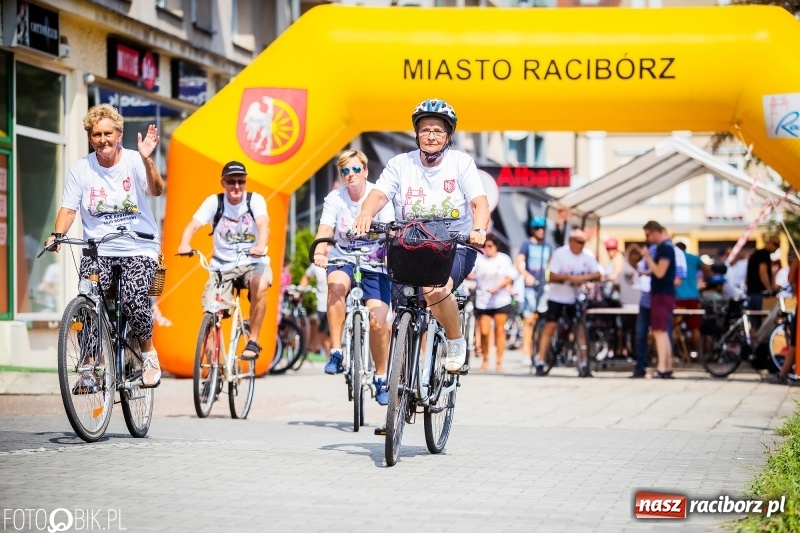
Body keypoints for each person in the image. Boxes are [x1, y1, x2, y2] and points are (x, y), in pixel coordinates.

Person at [351, 98, 489, 373]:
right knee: (402, 307)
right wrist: (365, 213)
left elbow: (479, 203)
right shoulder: (401, 164)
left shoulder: (461, 163)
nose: (431, 136)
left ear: (448, 135)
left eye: (437, 131)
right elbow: (378, 194)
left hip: (453, 245)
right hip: (410, 243)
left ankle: (455, 340)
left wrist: (478, 229)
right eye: (425, 130)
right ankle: (401, 378)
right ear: (416, 134)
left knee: (434, 288)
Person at [46, 103, 164, 387]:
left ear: (119, 134)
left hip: (138, 246)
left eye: (108, 133)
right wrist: (57, 234)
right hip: (98, 248)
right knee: (88, 299)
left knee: (134, 299)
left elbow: (157, 190)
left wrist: (147, 160)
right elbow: (68, 209)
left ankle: (148, 353)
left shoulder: (134, 160)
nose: (102, 140)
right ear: (90, 138)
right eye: (96, 134)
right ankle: (89, 364)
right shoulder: (81, 169)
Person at [312, 149, 394, 406]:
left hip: (375, 260)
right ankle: (337, 351)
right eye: (345, 170)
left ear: (365, 171)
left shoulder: (379, 195)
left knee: (379, 323)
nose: (351, 174)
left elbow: (390, 232)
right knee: (336, 286)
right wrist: (319, 251)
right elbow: (325, 228)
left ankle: (380, 376)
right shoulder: (335, 198)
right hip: (344, 257)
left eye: (356, 169)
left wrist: (390, 257)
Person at [177, 160, 272, 360]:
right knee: (211, 311)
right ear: (223, 183)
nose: (236, 186)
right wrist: (184, 244)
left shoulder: (254, 200)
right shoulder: (215, 202)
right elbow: (193, 225)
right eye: (231, 181)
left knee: (260, 283)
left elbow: (264, 225)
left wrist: (260, 246)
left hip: (252, 261)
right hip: (222, 266)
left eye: (241, 181)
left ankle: (253, 341)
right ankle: (212, 363)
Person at [534, 228, 602, 378]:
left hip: (576, 297)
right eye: (579, 242)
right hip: (558, 296)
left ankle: (583, 362)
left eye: (584, 242)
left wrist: (583, 278)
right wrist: (569, 278)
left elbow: (598, 274)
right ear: (571, 241)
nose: (582, 245)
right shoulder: (560, 254)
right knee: (551, 326)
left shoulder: (588, 255)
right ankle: (541, 360)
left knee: (580, 327)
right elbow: (551, 276)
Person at [472, 234, 516, 372]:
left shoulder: (504, 259)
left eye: (490, 246)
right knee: (484, 331)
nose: (487, 249)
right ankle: (485, 359)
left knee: (500, 331)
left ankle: (499, 362)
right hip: (483, 300)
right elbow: (471, 274)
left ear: (496, 246)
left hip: (500, 300)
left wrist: (498, 287)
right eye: (485, 246)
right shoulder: (480, 259)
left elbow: (509, 277)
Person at [641, 220, 677, 379]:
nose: (647, 238)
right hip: (663, 293)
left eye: (648, 234)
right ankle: (667, 367)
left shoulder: (665, 248)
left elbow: (660, 272)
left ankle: (662, 368)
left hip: (662, 294)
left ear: (655, 232)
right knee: (662, 331)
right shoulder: (666, 247)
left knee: (659, 331)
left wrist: (647, 257)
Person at [515, 216, 552, 364]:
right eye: (537, 228)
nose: (541, 231)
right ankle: (526, 352)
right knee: (529, 320)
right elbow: (518, 263)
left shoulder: (548, 246)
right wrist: (526, 275)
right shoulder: (527, 244)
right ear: (532, 230)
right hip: (530, 287)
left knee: (542, 320)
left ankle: (540, 352)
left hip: (544, 286)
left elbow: (551, 264)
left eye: (543, 228)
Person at [299, 244, 331, 358]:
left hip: (338, 302)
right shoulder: (316, 265)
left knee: (332, 333)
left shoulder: (337, 260)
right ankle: (331, 357)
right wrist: (300, 291)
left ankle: (334, 355)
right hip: (322, 304)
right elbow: (306, 276)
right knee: (325, 333)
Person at [746, 234, 781, 329]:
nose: (777, 248)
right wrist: (769, 289)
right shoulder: (763, 254)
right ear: (768, 242)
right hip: (759, 293)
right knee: (764, 321)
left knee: (754, 323)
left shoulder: (756, 254)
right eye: (775, 244)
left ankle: (753, 338)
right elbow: (763, 272)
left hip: (752, 292)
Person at [674, 242, 703, 354]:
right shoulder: (693, 258)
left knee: (673, 327)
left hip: (677, 297)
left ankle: (674, 354)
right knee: (695, 328)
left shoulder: (673, 258)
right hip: (692, 296)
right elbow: (706, 268)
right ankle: (699, 355)